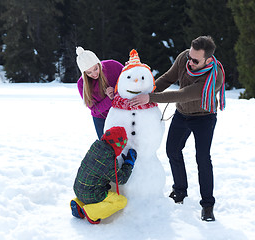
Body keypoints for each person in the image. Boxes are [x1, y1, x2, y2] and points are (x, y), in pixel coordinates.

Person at [129, 36, 225, 222]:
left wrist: (151, 98)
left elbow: (183, 94)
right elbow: (168, 78)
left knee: (202, 159)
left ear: (208, 59)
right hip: (182, 114)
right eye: (189, 56)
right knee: (172, 150)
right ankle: (180, 191)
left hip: (204, 118)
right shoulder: (184, 58)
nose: (190, 61)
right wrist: (147, 91)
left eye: (195, 60)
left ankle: (207, 205)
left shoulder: (215, 78)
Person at [70, 126, 137, 224]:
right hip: (91, 194)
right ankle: (91, 212)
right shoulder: (108, 161)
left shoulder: (95, 147)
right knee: (121, 201)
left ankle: (79, 203)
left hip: (78, 188)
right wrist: (129, 163)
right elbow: (122, 179)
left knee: (97, 189)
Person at [76, 47, 124, 139]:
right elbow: (94, 109)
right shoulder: (82, 84)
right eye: (89, 72)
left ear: (98, 63)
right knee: (107, 147)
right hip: (101, 119)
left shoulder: (113, 66)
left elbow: (128, 81)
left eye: (95, 69)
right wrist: (109, 99)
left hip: (121, 112)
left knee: (126, 144)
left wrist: (115, 92)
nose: (94, 74)